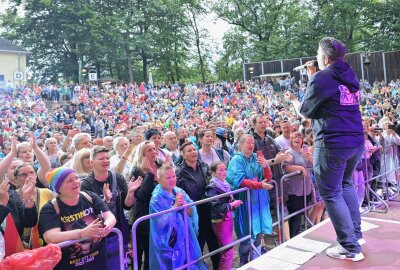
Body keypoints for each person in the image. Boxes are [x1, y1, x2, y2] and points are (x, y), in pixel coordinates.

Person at [293, 37, 365, 261]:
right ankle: (356, 236)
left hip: (333, 142)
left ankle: (349, 246)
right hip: (355, 139)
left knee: (331, 192)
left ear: (325, 58)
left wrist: (299, 97)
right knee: (346, 185)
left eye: (317, 55)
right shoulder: (349, 74)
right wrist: (313, 77)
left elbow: (306, 111)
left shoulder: (322, 77)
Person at [39, 167, 116, 269]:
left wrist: (107, 227)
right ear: (59, 188)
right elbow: (50, 237)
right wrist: (82, 233)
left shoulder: (90, 197)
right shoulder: (50, 208)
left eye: (76, 178)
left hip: (98, 261)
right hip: (67, 265)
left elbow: (110, 216)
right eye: (69, 181)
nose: (75, 182)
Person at [226, 134, 273, 266]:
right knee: (246, 234)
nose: (252, 145)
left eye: (253, 143)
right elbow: (239, 181)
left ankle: (255, 260)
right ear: (241, 145)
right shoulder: (236, 160)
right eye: (248, 143)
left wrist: (265, 166)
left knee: (258, 232)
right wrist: (259, 185)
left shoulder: (256, 158)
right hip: (245, 202)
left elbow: (268, 178)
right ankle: (243, 261)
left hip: (258, 200)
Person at [149, 164, 207, 270]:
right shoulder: (156, 199)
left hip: (185, 237)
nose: (172, 179)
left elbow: (190, 213)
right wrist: (175, 206)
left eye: (173, 176)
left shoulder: (179, 191)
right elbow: (159, 223)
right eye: (168, 177)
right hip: (169, 243)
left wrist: (185, 206)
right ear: (159, 179)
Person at [175, 141, 220, 269]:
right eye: (189, 151)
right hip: (191, 213)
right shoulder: (179, 172)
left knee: (213, 242)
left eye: (194, 150)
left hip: (208, 209)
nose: (193, 152)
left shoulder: (204, 166)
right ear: (183, 155)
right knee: (196, 244)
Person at [205, 161, 242, 270]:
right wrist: (231, 205)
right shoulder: (212, 187)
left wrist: (232, 204)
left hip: (228, 218)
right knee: (229, 251)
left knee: (227, 250)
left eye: (225, 169)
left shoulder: (225, 183)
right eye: (220, 170)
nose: (224, 172)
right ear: (213, 173)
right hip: (220, 221)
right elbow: (216, 208)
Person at [281, 132, 313, 238]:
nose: (297, 139)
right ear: (291, 140)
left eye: (300, 137)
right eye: (294, 137)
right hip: (295, 190)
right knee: (295, 216)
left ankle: (299, 235)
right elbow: (286, 168)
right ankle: (292, 238)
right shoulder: (288, 153)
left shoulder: (305, 151)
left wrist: (309, 157)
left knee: (302, 215)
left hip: (307, 188)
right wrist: (300, 168)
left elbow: (314, 165)